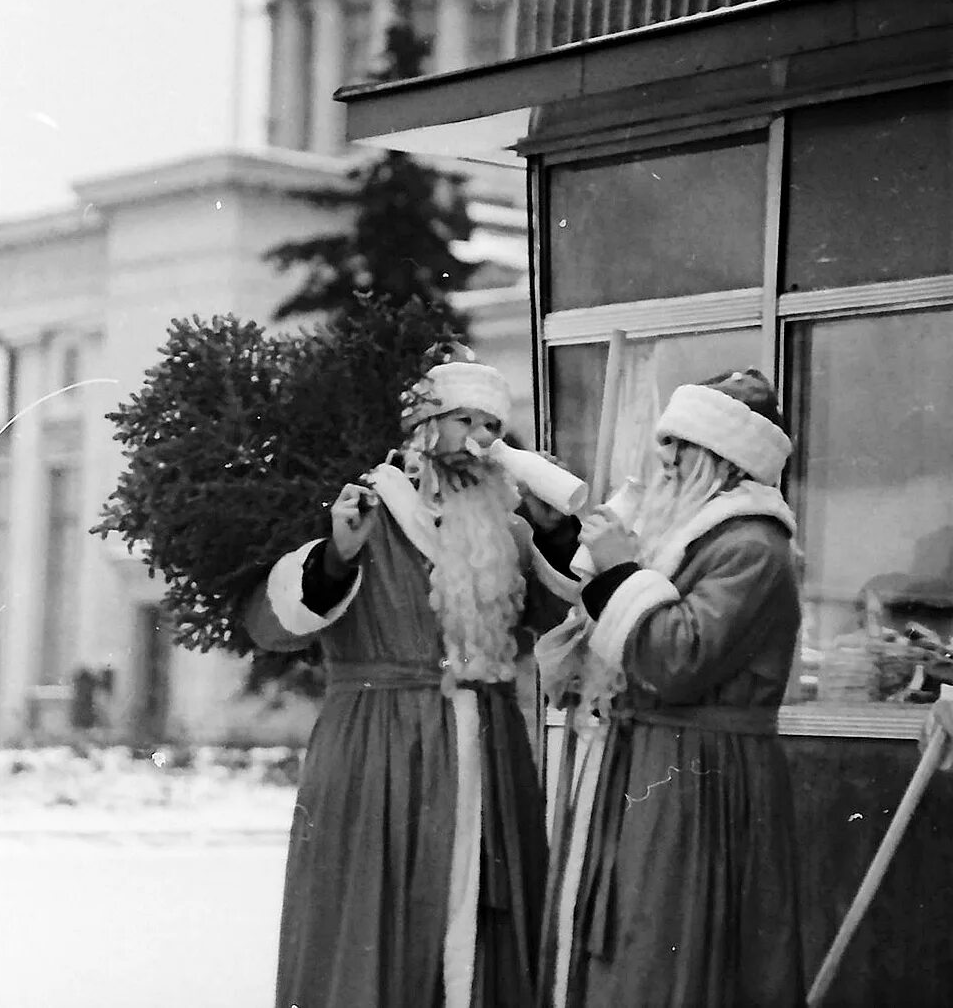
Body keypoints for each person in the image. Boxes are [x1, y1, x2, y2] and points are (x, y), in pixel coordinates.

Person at [245, 345, 580, 1008]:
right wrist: (337, 554)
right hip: (380, 748)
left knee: (481, 920)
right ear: (427, 427)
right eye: (469, 422)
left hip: (488, 748)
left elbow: (558, 611)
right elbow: (272, 623)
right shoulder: (368, 510)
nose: (483, 440)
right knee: (377, 915)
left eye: (493, 427)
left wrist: (556, 529)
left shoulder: (504, 529)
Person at [540, 367, 805, 1008]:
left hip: (702, 778)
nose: (660, 462)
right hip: (652, 767)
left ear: (716, 458)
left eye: (674, 447)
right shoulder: (698, 538)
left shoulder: (755, 548)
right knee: (632, 946)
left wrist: (620, 573)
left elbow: (679, 658)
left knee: (663, 952)